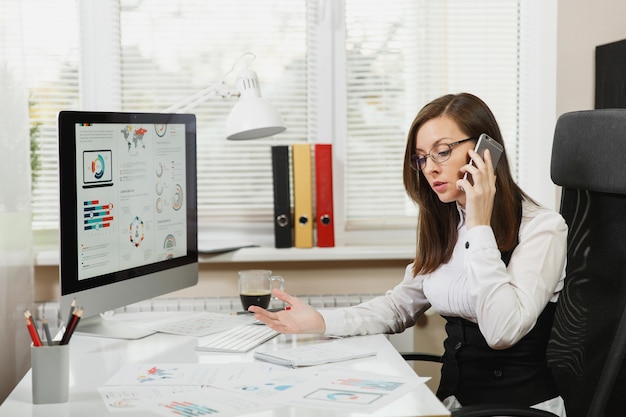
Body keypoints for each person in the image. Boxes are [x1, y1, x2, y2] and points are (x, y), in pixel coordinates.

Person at [250, 93, 567, 416]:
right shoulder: (447, 223)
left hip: (518, 410)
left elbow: (502, 331)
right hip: (452, 405)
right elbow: (398, 306)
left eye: (442, 152)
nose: (430, 168)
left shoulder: (542, 229)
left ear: (484, 152)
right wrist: (321, 320)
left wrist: (479, 225)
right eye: (421, 158)